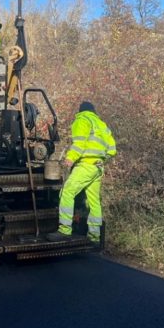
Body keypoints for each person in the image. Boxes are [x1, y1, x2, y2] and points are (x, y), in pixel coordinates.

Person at [47, 101, 116, 244]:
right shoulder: (102, 125)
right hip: (97, 167)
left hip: (85, 166)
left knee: (67, 192)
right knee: (94, 202)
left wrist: (70, 159)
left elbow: (79, 144)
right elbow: (112, 150)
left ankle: (64, 230)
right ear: (93, 111)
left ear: (81, 110)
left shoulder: (82, 120)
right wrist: (101, 159)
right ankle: (94, 237)